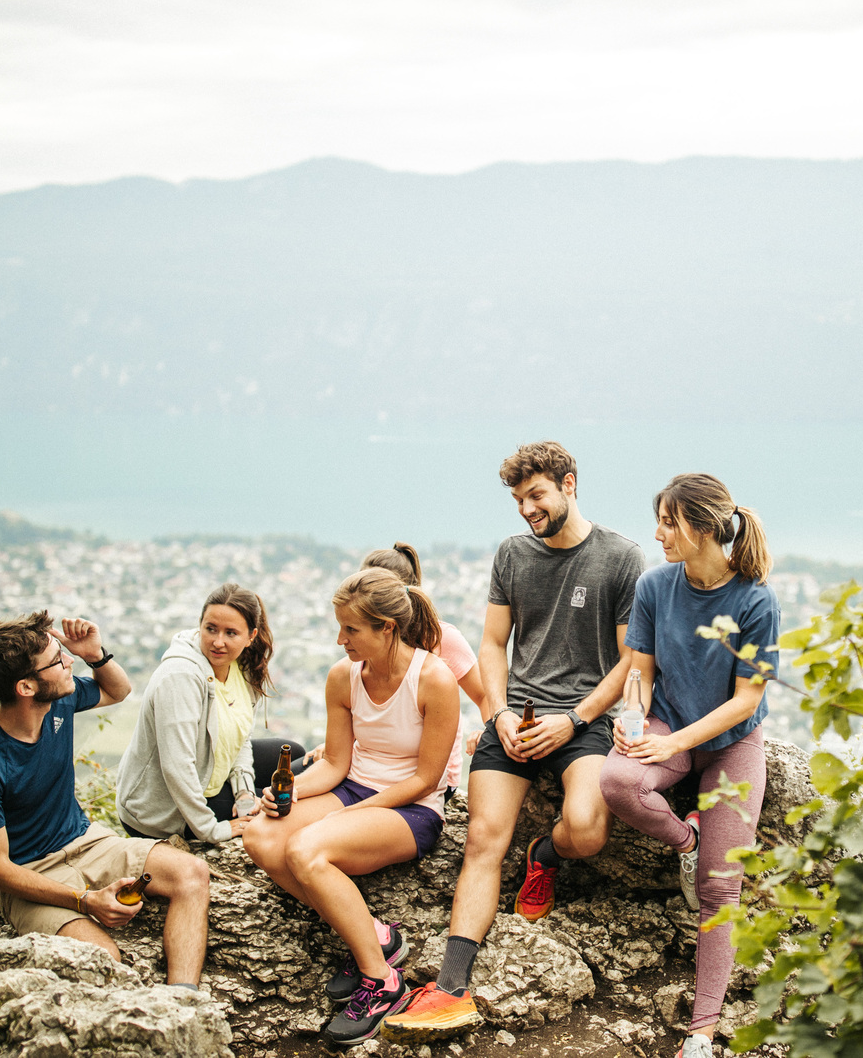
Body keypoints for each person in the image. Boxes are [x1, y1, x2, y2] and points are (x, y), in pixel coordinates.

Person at [384, 441, 645, 1045]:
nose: (527, 509)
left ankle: (544, 857)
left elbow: (630, 657)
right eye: (518, 499)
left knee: (586, 829)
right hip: (517, 716)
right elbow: (494, 644)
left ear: (569, 484)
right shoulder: (513, 555)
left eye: (537, 495)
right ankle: (451, 988)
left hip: (585, 721)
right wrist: (498, 712)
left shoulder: (620, 558)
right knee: (481, 839)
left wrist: (575, 721)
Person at [598, 474, 781, 1058]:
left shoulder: (755, 599)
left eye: (669, 523)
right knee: (617, 780)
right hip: (668, 724)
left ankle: (701, 1032)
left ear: (703, 529)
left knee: (719, 889)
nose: (658, 534)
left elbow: (746, 700)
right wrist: (634, 720)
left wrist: (673, 743)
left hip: (732, 745)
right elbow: (641, 671)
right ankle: (688, 838)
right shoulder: (655, 585)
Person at [242, 568, 462, 1045]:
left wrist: (349, 815)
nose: (340, 639)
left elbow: (427, 778)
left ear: (387, 628)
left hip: (411, 809)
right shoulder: (344, 677)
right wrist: (294, 792)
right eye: (340, 627)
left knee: (305, 850)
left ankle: (382, 979)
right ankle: (375, 933)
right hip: (353, 789)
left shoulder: (435, 679)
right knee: (260, 834)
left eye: (351, 629)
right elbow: (337, 762)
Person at [0, 612, 211, 985]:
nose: (68, 661)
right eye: (58, 660)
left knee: (192, 873)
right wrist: (84, 901)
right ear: (25, 687)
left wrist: (96, 655)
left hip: (86, 840)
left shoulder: (58, 702)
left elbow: (117, 691)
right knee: (101, 959)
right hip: (31, 872)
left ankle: (182, 999)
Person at [116, 583, 300, 843]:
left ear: (251, 636)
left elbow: (239, 739)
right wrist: (213, 830)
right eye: (210, 629)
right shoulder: (180, 677)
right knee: (275, 806)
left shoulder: (239, 669)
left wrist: (245, 793)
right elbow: (176, 766)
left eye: (231, 633)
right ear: (200, 624)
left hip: (209, 774)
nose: (218, 642)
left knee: (295, 758)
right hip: (163, 811)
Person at [304, 544, 487, 764]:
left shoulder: (441, 637)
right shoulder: (366, 646)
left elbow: (483, 695)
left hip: (429, 768)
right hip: (373, 761)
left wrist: (489, 733)